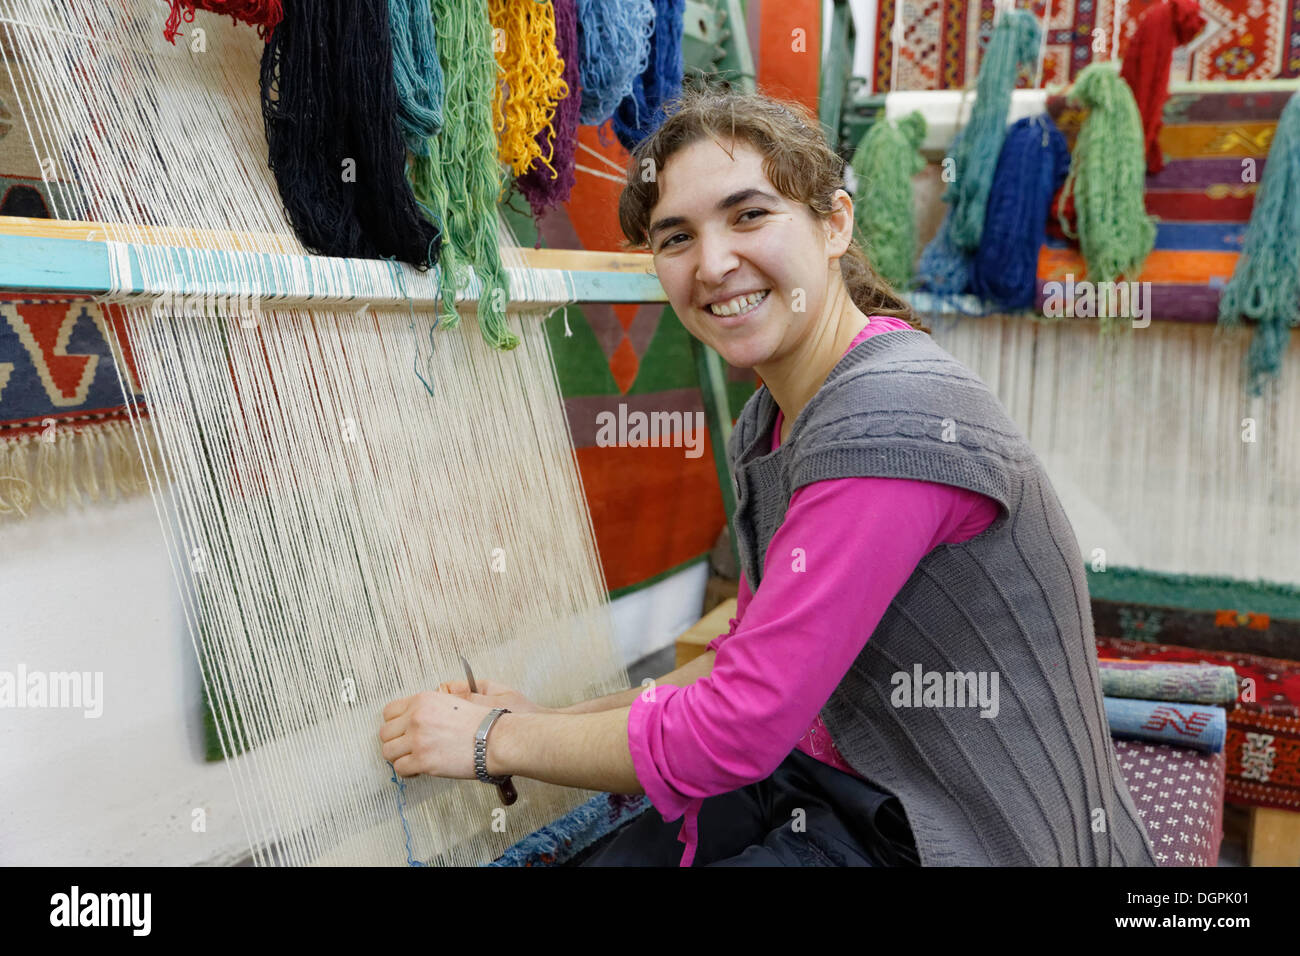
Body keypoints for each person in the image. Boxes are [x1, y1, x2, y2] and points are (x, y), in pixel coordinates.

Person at [379, 87, 1158, 867]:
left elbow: (734, 728)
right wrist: (548, 717)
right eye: (676, 237)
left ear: (835, 224)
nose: (714, 264)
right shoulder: (777, 415)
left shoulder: (892, 415)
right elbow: (741, 662)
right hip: (842, 779)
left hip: (964, 837)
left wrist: (495, 741)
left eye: (749, 215)